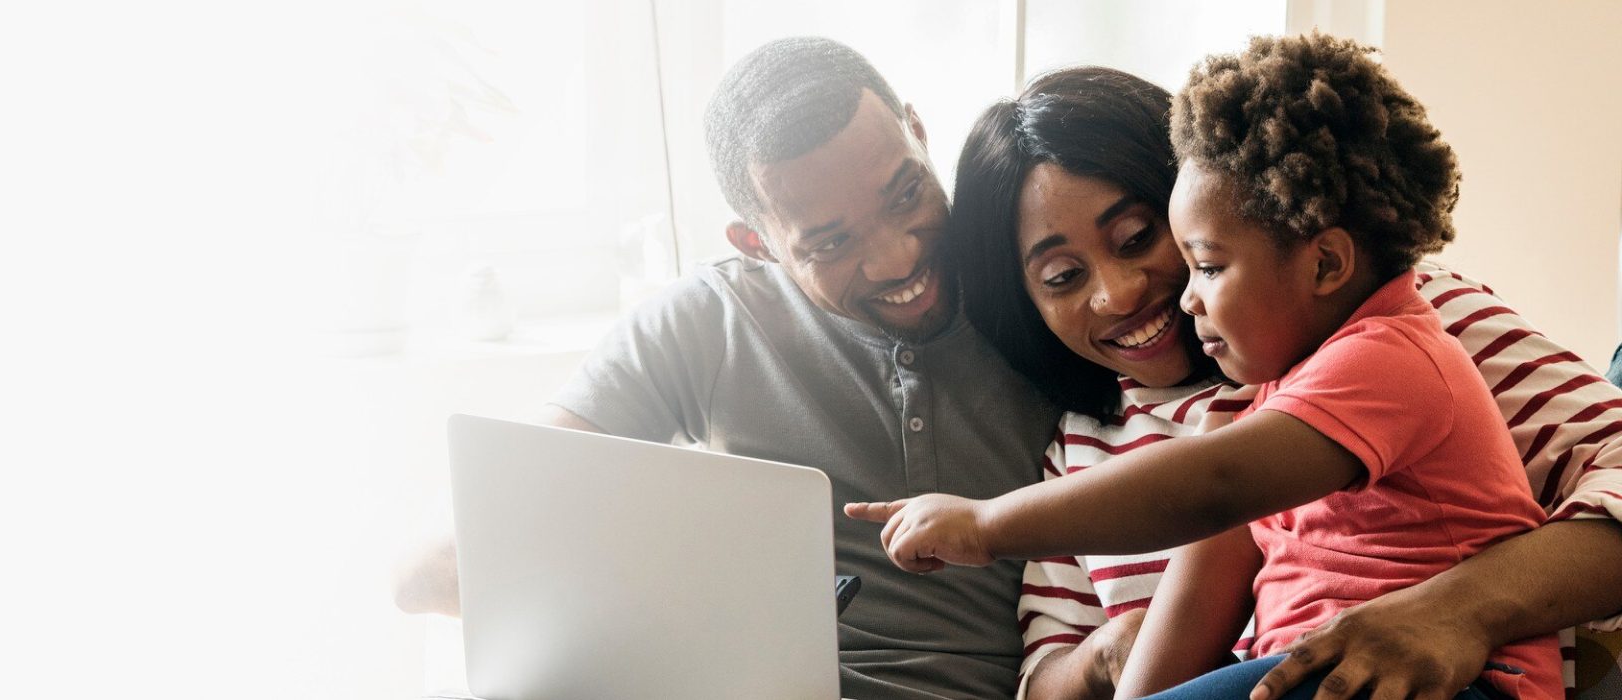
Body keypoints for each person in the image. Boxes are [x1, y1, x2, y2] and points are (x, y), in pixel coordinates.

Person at [854, 38, 1622, 700]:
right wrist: (1110, 651)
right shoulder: (1083, 451)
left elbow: (1213, 486)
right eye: (1061, 278)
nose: (1124, 293)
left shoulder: (1399, 325)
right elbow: (1063, 663)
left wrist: (1465, 606)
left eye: (1139, 237)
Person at [394, 36, 1059, 700]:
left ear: (917, 132)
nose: (895, 259)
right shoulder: (711, 320)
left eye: (905, 193)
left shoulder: (1044, 278)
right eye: (832, 241)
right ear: (758, 243)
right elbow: (431, 568)